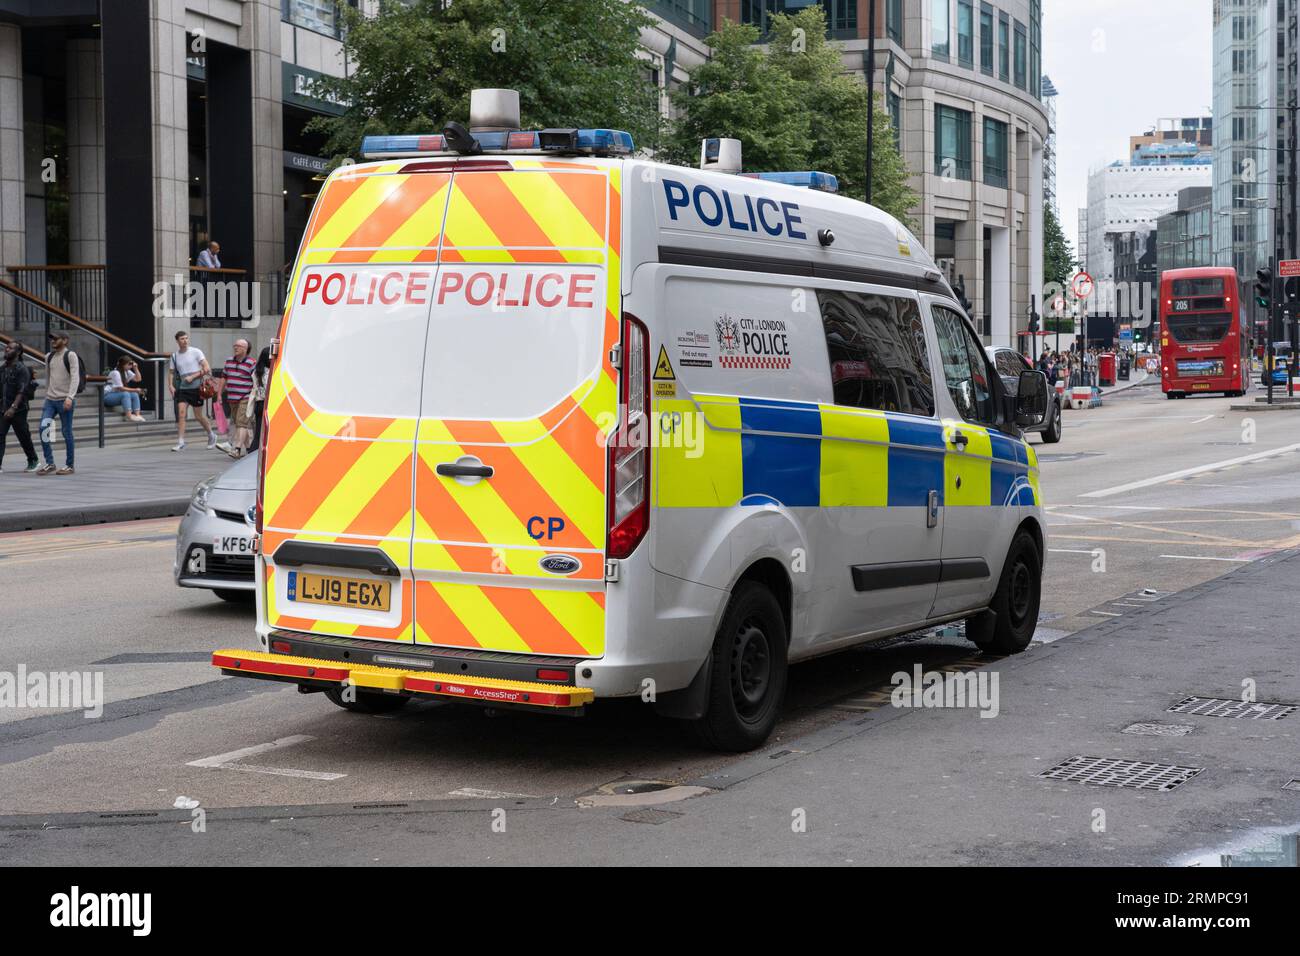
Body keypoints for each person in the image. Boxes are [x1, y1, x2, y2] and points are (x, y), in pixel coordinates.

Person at [38, 331, 79, 475]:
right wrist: (46, 395)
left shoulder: (70, 355)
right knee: (44, 428)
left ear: (65, 340)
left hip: (65, 400)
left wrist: (70, 397)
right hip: (50, 400)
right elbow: (48, 378)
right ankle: (50, 463)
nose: (53, 341)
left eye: (56, 338)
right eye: (52, 339)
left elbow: (75, 377)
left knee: (66, 432)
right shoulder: (48, 357)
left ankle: (69, 465)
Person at [168, 330, 216, 452]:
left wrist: (193, 376)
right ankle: (180, 441)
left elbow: (207, 368)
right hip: (183, 388)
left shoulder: (196, 352)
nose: (185, 341)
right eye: (182, 339)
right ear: (177, 341)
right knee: (181, 414)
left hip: (196, 387)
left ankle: (211, 434)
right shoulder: (174, 356)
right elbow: (171, 372)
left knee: (198, 416)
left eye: (186, 338)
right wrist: (170, 385)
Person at [0, 340, 38, 473]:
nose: (6, 350)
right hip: (3, 407)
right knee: (0, 434)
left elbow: (21, 390)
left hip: (19, 409)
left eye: (10, 348)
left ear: (18, 352)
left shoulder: (22, 369)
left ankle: (33, 459)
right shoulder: (3, 368)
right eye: (6, 348)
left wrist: (13, 407)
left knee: (23, 436)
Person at [220, 339, 256, 457]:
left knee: (241, 423)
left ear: (245, 349)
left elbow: (256, 380)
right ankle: (250, 449)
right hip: (232, 397)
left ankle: (237, 449)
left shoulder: (251, 363)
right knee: (239, 424)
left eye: (239, 346)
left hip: (245, 397)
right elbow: (224, 378)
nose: (236, 348)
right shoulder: (229, 361)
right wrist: (219, 394)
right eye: (235, 345)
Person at [103, 356, 146, 422]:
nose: (130, 366)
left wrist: (135, 368)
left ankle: (137, 415)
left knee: (134, 394)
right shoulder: (115, 373)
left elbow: (138, 379)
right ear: (123, 364)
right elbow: (121, 388)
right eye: (129, 364)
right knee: (125, 394)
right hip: (107, 396)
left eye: (131, 364)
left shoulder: (127, 372)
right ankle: (128, 416)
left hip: (117, 395)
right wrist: (136, 389)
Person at [250, 344, 271, 452]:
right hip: (267, 404)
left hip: (258, 403)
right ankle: (255, 452)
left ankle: (253, 451)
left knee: (258, 431)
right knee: (267, 431)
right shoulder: (269, 372)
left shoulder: (256, 371)